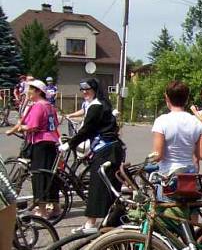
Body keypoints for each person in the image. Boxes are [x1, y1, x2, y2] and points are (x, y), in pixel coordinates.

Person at [60, 79, 123, 234]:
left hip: (107, 150)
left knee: (98, 186)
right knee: (108, 186)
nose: (84, 92)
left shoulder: (96, 106)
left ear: (95, 89)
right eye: (82, 90)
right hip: (109, 149)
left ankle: (91, 224)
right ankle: (111, 221)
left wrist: (70, 144)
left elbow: (86, 130)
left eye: (87, 89)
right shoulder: (101, 104)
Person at [7, 79, 60, 218]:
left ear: (38, 91)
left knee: (39, 176)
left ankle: (42, 211)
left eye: (30, 90)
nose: (28, 92)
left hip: (41, 143)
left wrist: (19, 128)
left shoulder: (38, 106)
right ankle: (55, 207)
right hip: (52, 141)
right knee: (50, 175)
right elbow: (55, 123)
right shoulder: (49, 105)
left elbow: (33, 126)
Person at [151, 80, 202, 179]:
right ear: (186, 100)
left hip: (168, 174)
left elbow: (158, 156)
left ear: (167, 98)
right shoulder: (196, 122)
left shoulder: (161, 121)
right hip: (189, 175)